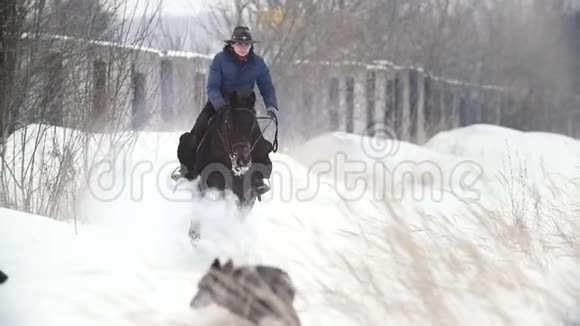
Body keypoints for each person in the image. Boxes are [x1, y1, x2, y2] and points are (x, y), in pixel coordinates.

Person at [175, 26, 279, 195]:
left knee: (257, 142)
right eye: (239, 44)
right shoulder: (220, 60)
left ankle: (258, 179)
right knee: (196, 134)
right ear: (232, 44)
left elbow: (267, 87)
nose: (243, 48)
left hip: (244, 108)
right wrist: (221, 105)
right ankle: (187, 171)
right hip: (219, 105)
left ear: (251, 46)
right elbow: (212, 87)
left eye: (246, 45)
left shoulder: (258, 63)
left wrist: (272, 107)